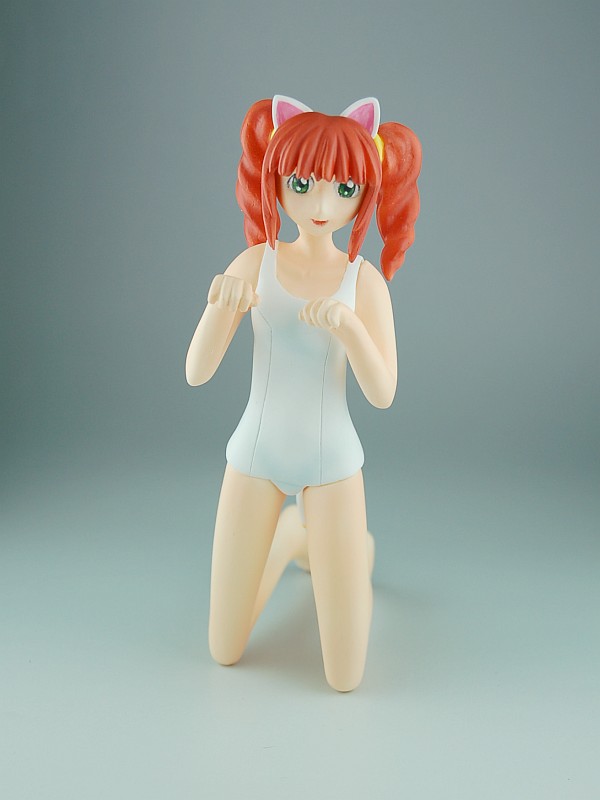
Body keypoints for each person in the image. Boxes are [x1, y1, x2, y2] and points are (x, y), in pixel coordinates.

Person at [185, 95, 421, 691]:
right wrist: (219, 308)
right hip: (255, 454)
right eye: (301, 184)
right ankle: (295, 534)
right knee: (223, 649)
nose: (320, 206)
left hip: (331, 461)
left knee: (344, 677)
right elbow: (196, 372)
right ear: (276, 181)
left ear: (364, 193)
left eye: (343, 190)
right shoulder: (253, 264)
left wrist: (350, 328)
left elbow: (383, 393)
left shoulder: (363, 282)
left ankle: (322, 541)